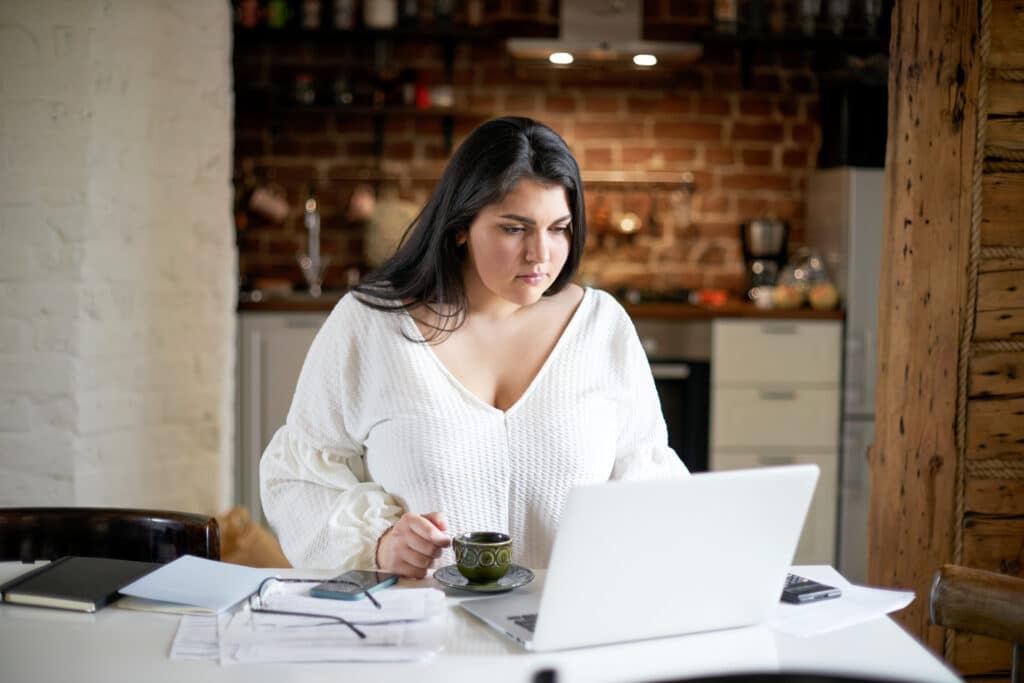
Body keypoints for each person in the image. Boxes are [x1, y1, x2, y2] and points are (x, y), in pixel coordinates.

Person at [260, 116, 688, 578]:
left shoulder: (602, 327)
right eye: (513, 228)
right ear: (461, 226)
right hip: (419, 633)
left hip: (565, 633)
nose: (541, 254)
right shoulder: (370, 325)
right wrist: (380, 544)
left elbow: (649, 484)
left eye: (559, 228)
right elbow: (297, 481)